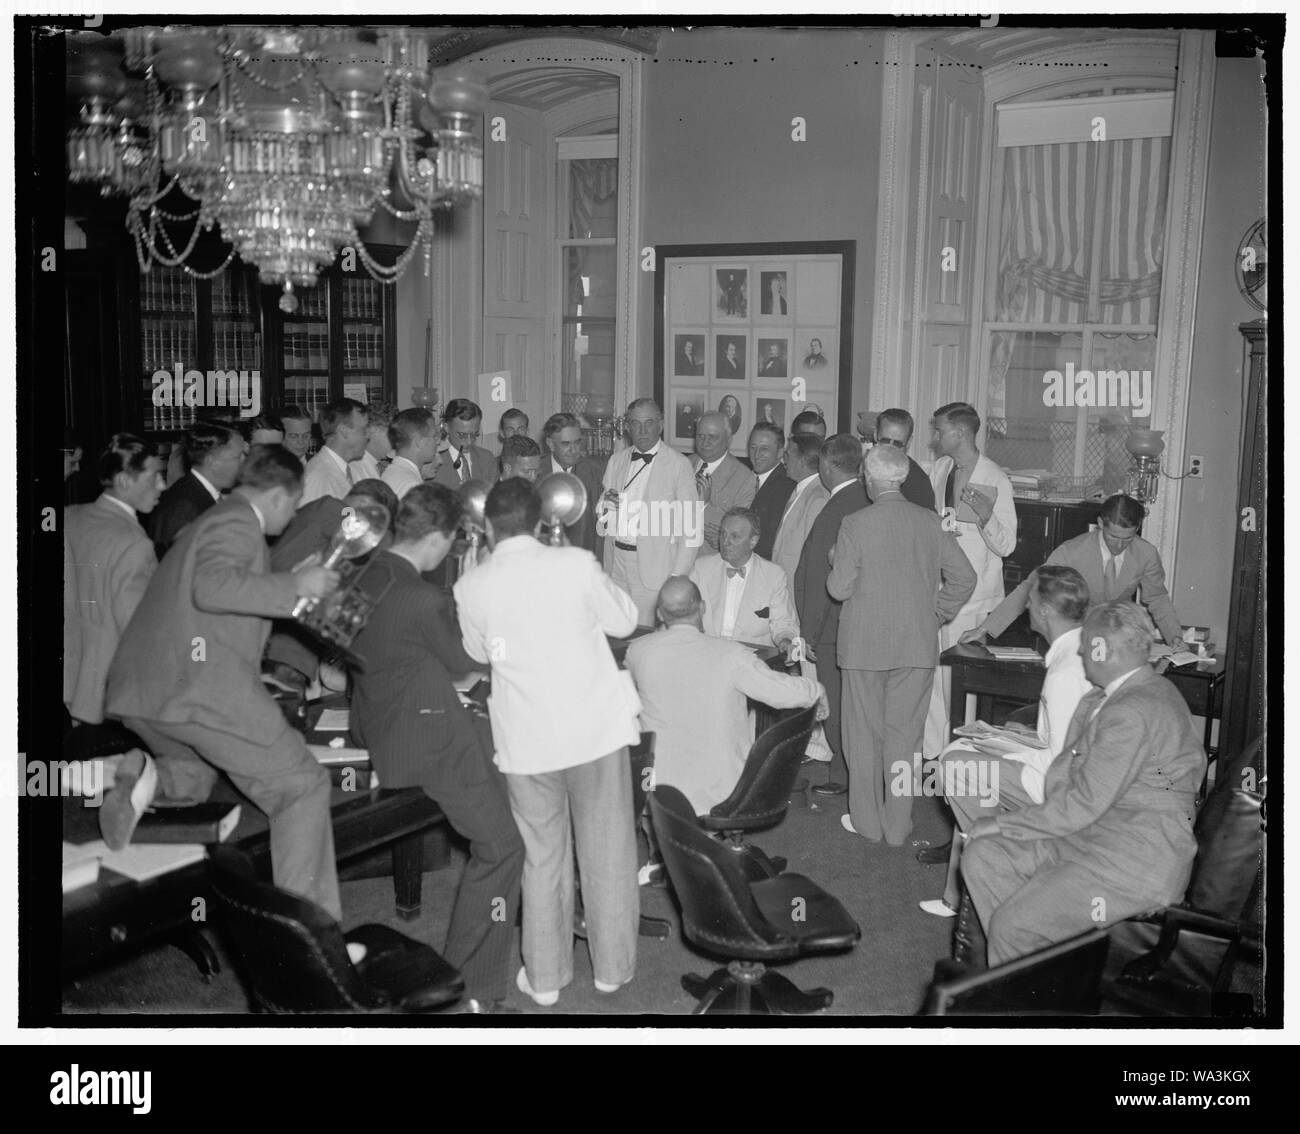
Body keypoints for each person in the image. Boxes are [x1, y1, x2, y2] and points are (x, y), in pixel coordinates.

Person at [102, 445, 343, 917]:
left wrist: (286, 582)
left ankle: (149, 777)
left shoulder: (216, 520)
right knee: (302, 787)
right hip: (197, 691)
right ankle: (311, 938)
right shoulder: (238, 522)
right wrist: (298, 586)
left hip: (147, 696)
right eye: (292, 507)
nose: (291, 517)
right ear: (277, 496)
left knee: (195, 776)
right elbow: (211, 590)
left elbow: (220, 591)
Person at [454, 479, 643, 1006]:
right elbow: (625, 619)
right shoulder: (576, 563)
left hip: (526, 741)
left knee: (541, 859)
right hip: (594, 733)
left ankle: (544, 979)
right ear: (541, 522)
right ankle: (611, 970)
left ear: (488, 526)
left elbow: (475, 651)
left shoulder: (472, 583)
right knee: (607, 850)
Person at [350, 484, 524, 1011]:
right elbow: (467, 660)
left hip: (377, 716)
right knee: (504, 846)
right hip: (422, 737)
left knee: (501, 773)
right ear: (442, 538)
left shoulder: (363, 574)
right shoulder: (424, 598)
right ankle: (470, 986)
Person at [961, 600, 1205, 966]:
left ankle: (1026, 971)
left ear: (1102, 649)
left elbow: (1081, 804)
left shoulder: (1132, 711)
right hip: (1097, 835)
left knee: (1014, 927)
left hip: (1132, 862)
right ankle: (1036, 967)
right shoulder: (1122, 693)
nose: (1079, 649)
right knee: (984, 857)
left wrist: (999, 822)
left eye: (1085, 642)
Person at [920, 565, 1093, 917]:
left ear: (1045, 611)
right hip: (1064, 767)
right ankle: (960, 891)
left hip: (1059, 785)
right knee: (963, 754)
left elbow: (1057, 762)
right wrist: (1005, 738)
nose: (1026, 606)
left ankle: (989, 875)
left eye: (1030, 600)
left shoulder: (1064, 673)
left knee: (956, 765)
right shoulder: (1077, 649)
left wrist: (1006, 752)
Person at [828, 444, 977, 845]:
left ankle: (867, 822)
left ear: (870, 479)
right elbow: (965, 577)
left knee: (862, 737)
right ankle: (897, 827)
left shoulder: (855, 524)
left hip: (863, 647)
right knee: (905, 739)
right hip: (916, 645)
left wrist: (835, 557)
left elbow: (839, 588)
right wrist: (937, 613)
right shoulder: (930, 521)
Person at [627, 577, 824, 815]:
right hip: (720, 791)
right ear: (702, 607)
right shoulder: (732, 656)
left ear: (659, 614)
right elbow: (783, 693)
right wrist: (817, 690)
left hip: (657, 788)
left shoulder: (637, 652)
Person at [962, 493, 1186, 649]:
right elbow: (1031, 587)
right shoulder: (1072, 551)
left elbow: (1157, 598)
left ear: (1137, 529)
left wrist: (1175, 637)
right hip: (1075, 636)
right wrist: (986, 628)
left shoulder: (1146, 554)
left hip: (1117, 635)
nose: (1118, 546)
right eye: (1112, 537)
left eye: (1127, 539)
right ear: (1100, 523)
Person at [924, 402, 1018, 758]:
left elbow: (1006, 545)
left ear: (960, 433)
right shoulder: (941, 469)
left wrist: (985, 516)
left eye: (940, 430)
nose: (935, 437)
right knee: (932, 676)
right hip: (941, 590)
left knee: (962, 685)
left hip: (975, 598)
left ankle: (963, 757)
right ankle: (934, 756)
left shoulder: (995, 477)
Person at [262, 478, 398, 698]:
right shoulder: (336, 512)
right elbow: (385, 559)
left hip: (269, 637)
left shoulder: (315, 511)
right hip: (286, 645)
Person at [64, 434, 166, 725]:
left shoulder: (69, 517)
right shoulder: (135, 543)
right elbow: (139, 631)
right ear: (124, 481)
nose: (163, 485)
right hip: (107, 695)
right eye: (154, 477)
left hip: (70, 684)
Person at [791, 434, 869, 796]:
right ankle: (845, 771)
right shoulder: (865, 500)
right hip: (855, 624)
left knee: (836, 705)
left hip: (830, 628)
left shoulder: (836, 508)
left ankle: (844, 774)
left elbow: (818, 575)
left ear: (825, 464)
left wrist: (807, 631)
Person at [598, 398, 701, 626]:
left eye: (649, 423)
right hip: (616, 562)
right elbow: (602, 511)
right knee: (616, 628)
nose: (642, 430)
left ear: (661, 425)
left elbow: (692, 528)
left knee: (646, 635)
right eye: (636, 423)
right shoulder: (616, 461)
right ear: (627, 427)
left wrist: (676, 578)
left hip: (655, 568)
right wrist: (606, 505)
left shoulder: (679, 464)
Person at [689, 507, 800, 653]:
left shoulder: (773, 575)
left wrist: (786, 641)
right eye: (723, 534)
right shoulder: (701, 568)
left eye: (734, 536)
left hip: (751, 661)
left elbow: (784, 623)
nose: (725, 542)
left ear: (753, 541)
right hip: (708, 655)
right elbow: (685, 616)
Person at [147, 421, 247, 558]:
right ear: (212, 461)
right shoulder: (183, 507)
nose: (244, 462)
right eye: (238, 457)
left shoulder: (201, 494)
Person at [692, 411, 756, 554]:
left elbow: (735, 533)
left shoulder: (744, 478)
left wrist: (705, 506)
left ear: (728, 440)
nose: (705, 442)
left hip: (709, 563)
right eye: (700, 436)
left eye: (712, 437)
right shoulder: (682, 464)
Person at [771, 432, 830, 584]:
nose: (783, 460)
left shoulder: (818, 499)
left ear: (803, 461)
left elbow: (813, 557)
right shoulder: (801, 489)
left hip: (796, 590)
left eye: (788, 455)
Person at [540, 411, 603, 553]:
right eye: (566, 444)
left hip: (580, 559)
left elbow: (599, 528)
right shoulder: (536, 474)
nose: (574, 450)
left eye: (577, 442)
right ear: (550, 444)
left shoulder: (594, 473)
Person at [300, 397, 370, 506]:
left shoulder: (344, 469)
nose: (368, 436)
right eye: (364, 429)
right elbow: (307, 521)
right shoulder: (318, 476)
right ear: (344, 430)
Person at [872, 408, 935, 511]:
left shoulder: (918, 482)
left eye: (897, 443)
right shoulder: (863, 467)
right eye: (885, 440)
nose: (890, 448)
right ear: (875, 435)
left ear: (909, 442)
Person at [748, 421, 795, 561]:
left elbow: (770, 542)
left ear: (780, 452)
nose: (756, 455)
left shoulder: (787, 487)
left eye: (764, 449)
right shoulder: (742, 478)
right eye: (753, 447)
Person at [433, 398, 497, 489]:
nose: (469, 441)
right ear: (447, 428)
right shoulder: (433, 461)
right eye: (462, 435)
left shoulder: (487, 459)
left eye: (475, 434)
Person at [381, 407, 441, 501]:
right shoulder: (411, 486)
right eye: (434, 436)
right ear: (419, 441)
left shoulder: (394, 473)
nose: (437, 442)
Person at [353, 401, 396, 481]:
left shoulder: (382, 465)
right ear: (373, 430)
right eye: (392, 432)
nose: (396, 438)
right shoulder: (356, 469)